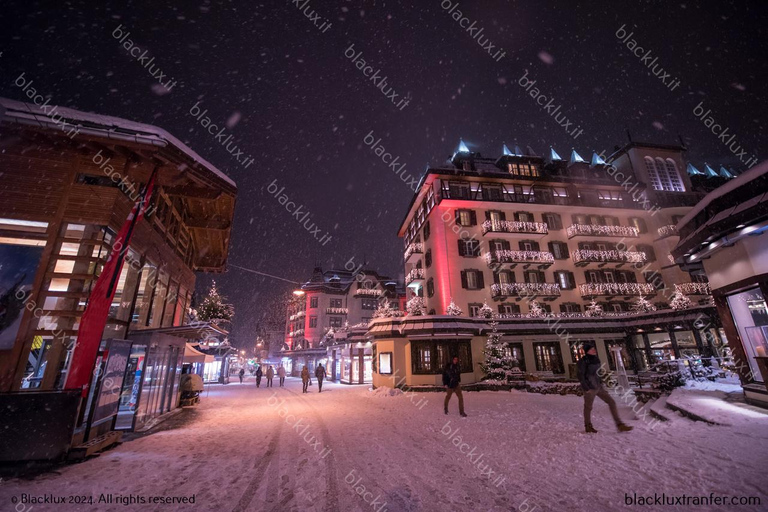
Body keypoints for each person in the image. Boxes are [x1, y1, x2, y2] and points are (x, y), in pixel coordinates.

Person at [577, 343, 633, 433]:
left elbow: (599, 372)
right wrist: (586, 388)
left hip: (599, 386)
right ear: (587, 351)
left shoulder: (596, 359)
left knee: (611, 402)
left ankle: (619, 424)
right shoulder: (583, 361)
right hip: (590, 388)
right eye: (592, 349)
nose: (594, 350)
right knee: (588, 407)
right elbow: (581, 375)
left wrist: (603, 381)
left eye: (594, 348)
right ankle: (588, 426)